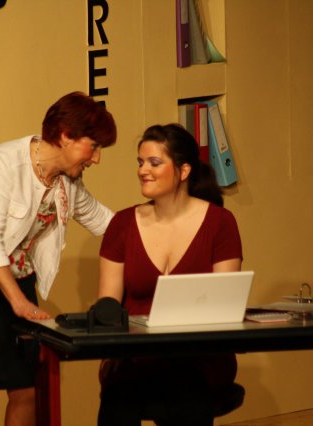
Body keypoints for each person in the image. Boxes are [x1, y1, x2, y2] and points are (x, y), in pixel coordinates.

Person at [0, 91, 117, 426]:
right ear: (66, 136)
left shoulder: (67, 181)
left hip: (16, 277)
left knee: (26, 387)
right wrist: (18, 301)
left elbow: (105, 222)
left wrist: (160, 224)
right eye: (94, 146)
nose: (97, 158)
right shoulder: (7, 161)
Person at [96, 123, 243, 426]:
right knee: (117, 405)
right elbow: (107, 303)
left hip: (197, 358)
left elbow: (224, 303)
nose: (143, 171)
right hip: (136, 357)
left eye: (154, 162)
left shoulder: (220, 223)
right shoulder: (122, 224)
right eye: (140, 162)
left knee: (186, 395)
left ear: (183, 170)